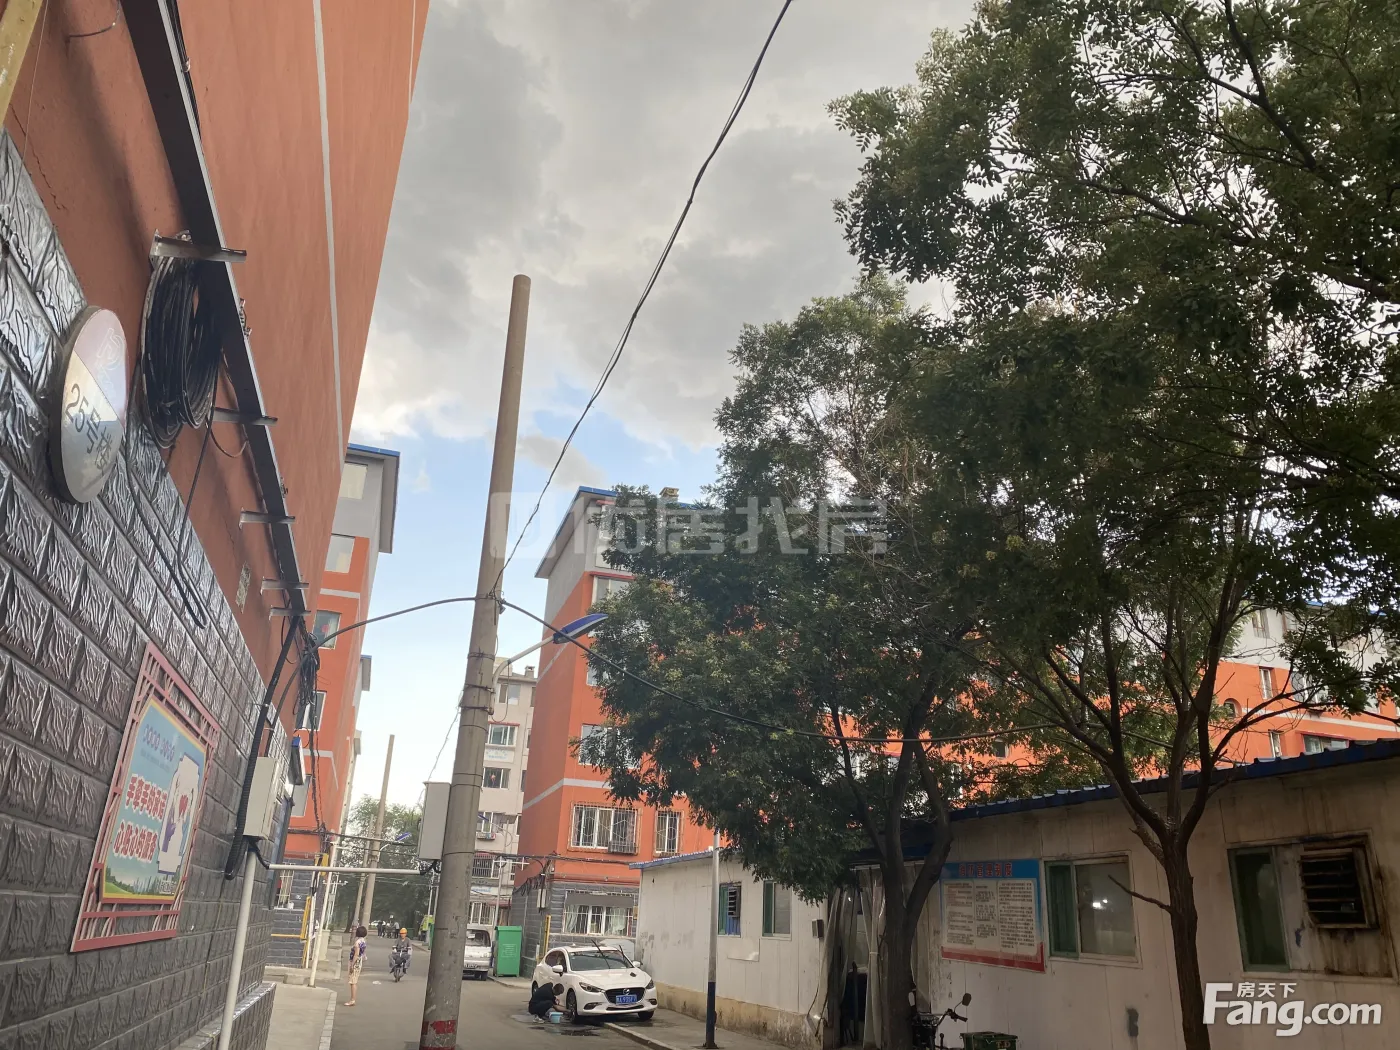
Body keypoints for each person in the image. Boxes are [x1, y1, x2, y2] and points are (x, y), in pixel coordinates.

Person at [346, 925, 367, 1007]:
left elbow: (356, 954)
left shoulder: (357, 942)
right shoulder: (363, 941)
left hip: (355, 962)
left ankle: (352, 1000)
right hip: (359, 961)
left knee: (353, 982)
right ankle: (352, 999)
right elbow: (362, 952)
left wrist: (352, 965)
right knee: (354, 981)